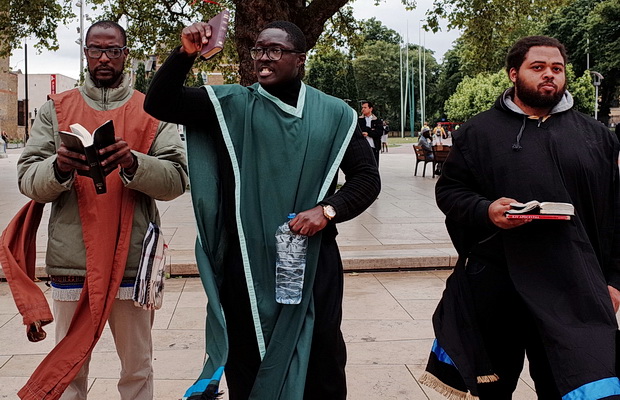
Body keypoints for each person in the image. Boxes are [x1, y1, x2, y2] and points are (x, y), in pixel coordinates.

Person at [144, 20, 380, 400]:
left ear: (300, 59)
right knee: (249, 355)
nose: (264, 58)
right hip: (247, 261)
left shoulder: (334, 113)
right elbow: (159, 103)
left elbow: (367, 179)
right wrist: (185, 52)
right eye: (258, 50)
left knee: (321, 356)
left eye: (275, 50)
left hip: (314, 260)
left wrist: (327, 210)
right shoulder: (233, 104)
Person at [420, 35, 620, 399]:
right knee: (493, 390)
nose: (549, 75)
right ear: (514, 73)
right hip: (497, 284)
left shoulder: (596, 137)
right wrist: (487, 211)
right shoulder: (478, 132)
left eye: (556, 69)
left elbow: (615, 215)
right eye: (538, 67)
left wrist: (614, 281)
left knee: (577, 385)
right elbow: (450, 192)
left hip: (572, 286)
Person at [14, 20, 188, 399]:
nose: (104, 58)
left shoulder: (152, 109)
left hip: (132, 261)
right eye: (96, 50)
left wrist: (133, 163)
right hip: (73, 261)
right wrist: (58, 168)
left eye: (113, 50)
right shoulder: (56, 109)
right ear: (86, 54)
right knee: (70, 371)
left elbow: (177, 180)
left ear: (126, 54)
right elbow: (27, 178)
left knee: (137, 368)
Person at [358, 101, 383, 166]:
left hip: (373, 147)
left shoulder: (377, 120)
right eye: (362, 107)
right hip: (362, 147)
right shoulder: (359, 120)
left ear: (370, 109)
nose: (363, 109)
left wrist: (368, 133)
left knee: (374, 165)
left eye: (365, 107)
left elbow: (379, 132)